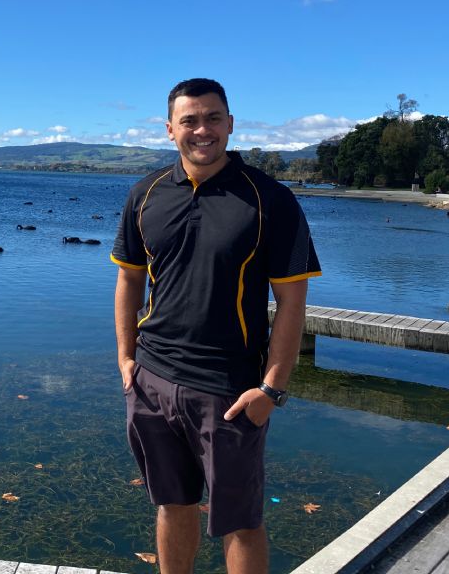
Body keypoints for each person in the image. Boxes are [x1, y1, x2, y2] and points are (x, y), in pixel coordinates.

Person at [111, 78, 321, 574]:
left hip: (230, 390)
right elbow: (128, 280)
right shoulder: (145, 195)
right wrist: (126, 360)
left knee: (240, 521)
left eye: (212, 119)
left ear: (230, 124)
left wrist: (272, 389)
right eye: (189, 120)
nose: (201, 130)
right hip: (152, 381)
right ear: (169, 129)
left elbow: (292, 303)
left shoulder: (270, 200)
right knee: (172, 504)